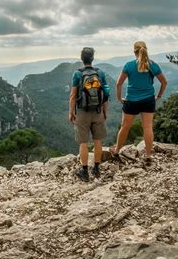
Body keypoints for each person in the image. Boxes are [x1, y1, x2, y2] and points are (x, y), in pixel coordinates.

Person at [110, 41, 167, 165]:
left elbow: (118, 83)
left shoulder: (129, 65)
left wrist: (120, 98)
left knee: (125, 127)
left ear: (134, 51)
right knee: (147, 127)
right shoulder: (153, 65)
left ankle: (117, 150)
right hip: (148, 100)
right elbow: (164, 82)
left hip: (131, 100)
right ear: (146, 50)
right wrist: (159, 96)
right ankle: (147, 155)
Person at [69, 47, 110, 182]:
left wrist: (71, 112)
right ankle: (97, 169)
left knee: (83, 143)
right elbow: (105, 95)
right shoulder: (100, 73)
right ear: (92, 58)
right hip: (98, 111)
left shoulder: (77, 74)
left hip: (82, 112)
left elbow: (73, 96)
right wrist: (105, 111)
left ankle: (85, 172)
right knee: (98, 141)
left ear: (82, 59)